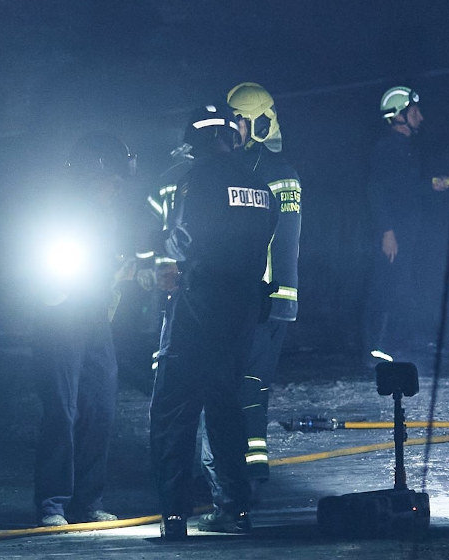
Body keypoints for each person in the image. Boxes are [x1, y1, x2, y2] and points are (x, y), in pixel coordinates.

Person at [149, 107, 278, 540]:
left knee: (175, 409)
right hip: (241, 310)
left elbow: (182, 239)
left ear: (198, 142)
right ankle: (236, 510)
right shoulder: (260, 186)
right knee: (226, 408)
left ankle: (173, 516)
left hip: (197, 305)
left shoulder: (198, 179)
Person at [194, 82, 303, 532]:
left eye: (237, 119)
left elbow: (286, 241)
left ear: (258, 122)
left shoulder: (278, 171)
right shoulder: (239, 167)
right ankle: (244, 479)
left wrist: (279, 298)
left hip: (267, 301)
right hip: (242, 301)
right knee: (237, 390)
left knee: (249, 392)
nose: (232, 127)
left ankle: (249, 483)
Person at [32, 133, 137, 527]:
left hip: (94, 319)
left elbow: (109, 264)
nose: (115, 187)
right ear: (90, 175)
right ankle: (53, 504)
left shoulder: (108, 215)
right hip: (59, 318)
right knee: (63, 408)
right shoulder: (57, 212)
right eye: (111, 180)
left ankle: (88, 502)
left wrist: (121, 275)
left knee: (101, 405)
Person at [364, 85, 449, 364]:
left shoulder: (405, 149)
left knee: (403, 286)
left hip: (408, 231)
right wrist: (387, 232)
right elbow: (376, 191)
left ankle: (398, 344)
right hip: (394, 233)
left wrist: (431, 185)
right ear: (398, 115)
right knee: (387, 286)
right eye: (415, 111)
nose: (421, 117)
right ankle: (375, 349)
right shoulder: (386, 149)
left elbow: (406, 188)